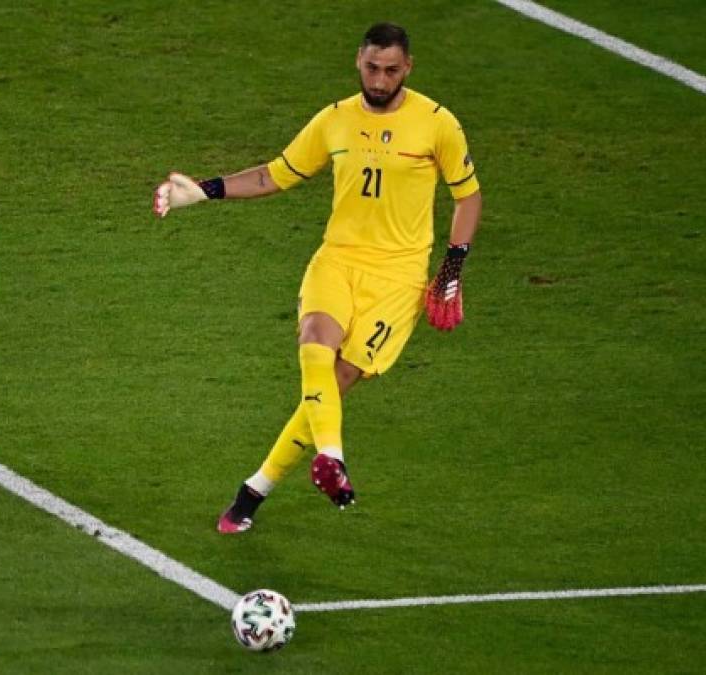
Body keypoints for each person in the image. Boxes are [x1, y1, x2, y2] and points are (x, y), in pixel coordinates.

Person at [152, 22, 482, 533]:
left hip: (397, 279)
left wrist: (453, 268)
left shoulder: (438, 124)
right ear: (358, 61)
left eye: (391, 70)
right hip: (339, 258)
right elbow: (276, 173)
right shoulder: (335, 120)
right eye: (372, 68)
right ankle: (332, 456)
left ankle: (253, 491)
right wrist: (205, 189)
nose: (379, 79)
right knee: (314, 340)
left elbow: (468, 196)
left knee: (336, 381)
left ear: (408, 68)